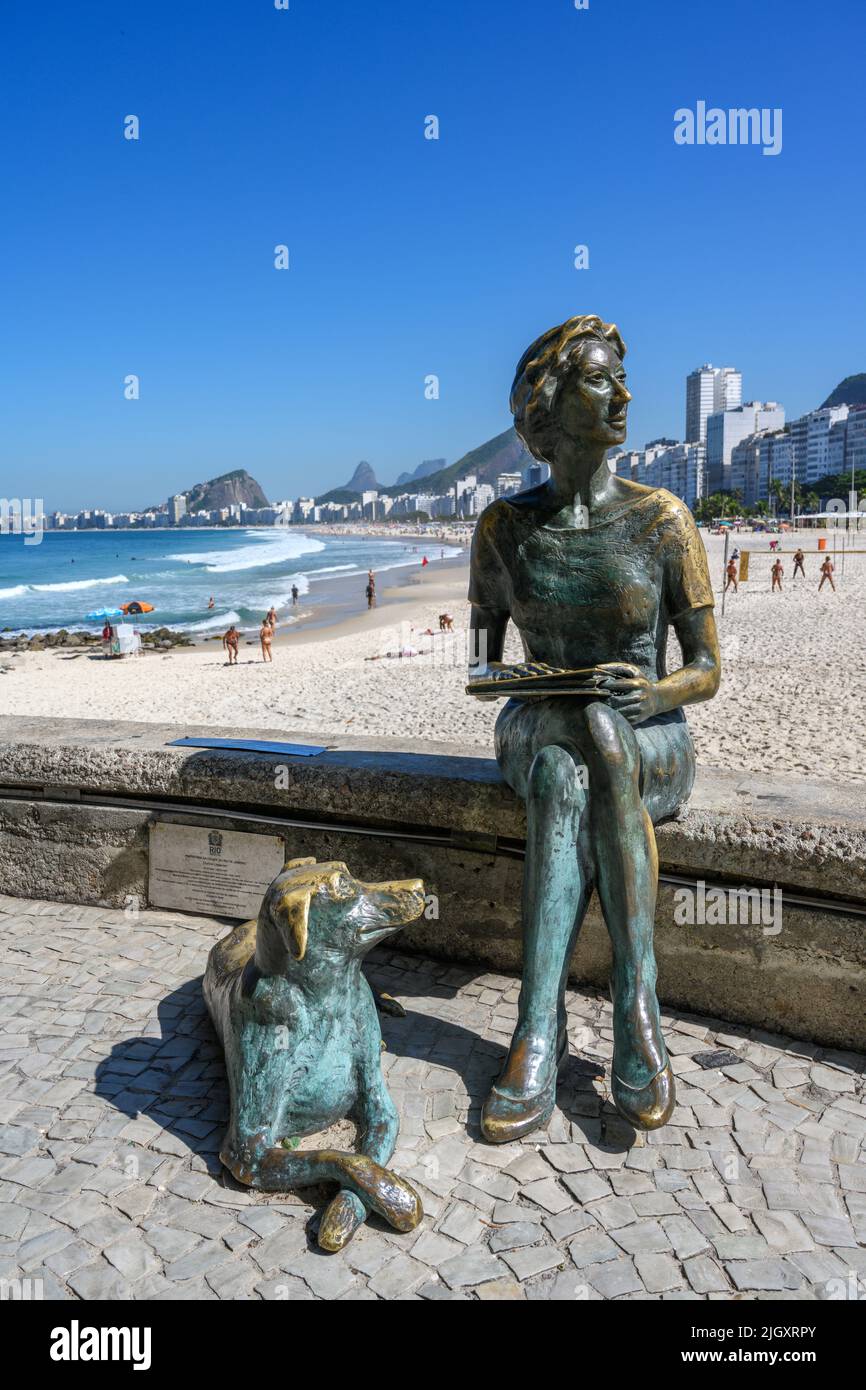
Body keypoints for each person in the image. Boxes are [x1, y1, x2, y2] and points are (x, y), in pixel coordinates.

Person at [469, 314, 719, 1141]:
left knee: (589, 752)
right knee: (562, 762)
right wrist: (533, 682)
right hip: (537, 728)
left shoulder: (663, 521)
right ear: (548, 404)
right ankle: (617, 1017)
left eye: (620, 377)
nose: (624, 393)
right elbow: (482, 669)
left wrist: (651, 694)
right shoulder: (505, 529)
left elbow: (705, 670)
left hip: (651, 736)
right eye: (600, 379)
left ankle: (552, 1024)